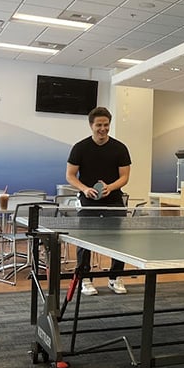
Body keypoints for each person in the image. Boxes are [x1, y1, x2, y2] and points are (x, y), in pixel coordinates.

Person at [66, 106, 132, 295]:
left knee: (117, 240)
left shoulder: (120, 148)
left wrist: (110, 187)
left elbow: (125, 177)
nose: (103, 128)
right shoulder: (80, 148)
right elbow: (70, 175)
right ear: (91, 125)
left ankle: (115, 277)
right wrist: (85, 189)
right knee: (85, 240)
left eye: (106, 125)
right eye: (99, 125)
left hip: (114, 201)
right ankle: (85, 279)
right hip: (88, 200)